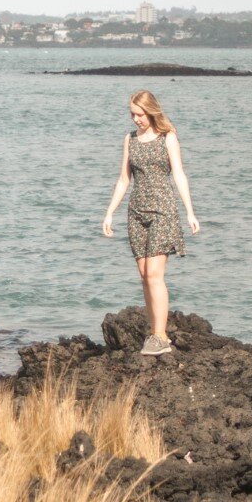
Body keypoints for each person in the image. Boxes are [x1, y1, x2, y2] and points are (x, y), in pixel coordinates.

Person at [101, 89, 200, 355]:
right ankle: (154, 331)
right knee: (144, 276)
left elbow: (179, 174)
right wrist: (110, 212)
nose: (136, 119)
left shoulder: (168, 138)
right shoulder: (130, 140)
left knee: (155, 275)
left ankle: (160, 336)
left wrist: (190, 211)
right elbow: (124, 179)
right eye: (132, 114)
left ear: (151, 111)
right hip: (136, 212)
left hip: (163, 211)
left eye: (140, 114)